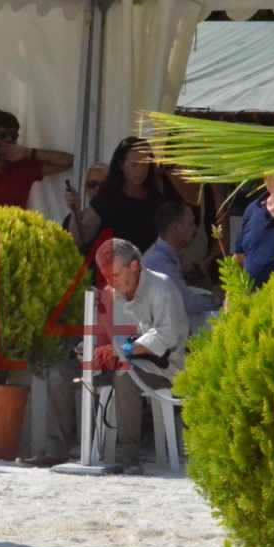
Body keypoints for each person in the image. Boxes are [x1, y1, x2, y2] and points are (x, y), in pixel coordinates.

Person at [94, 238, 189, 475]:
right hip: (123, 361)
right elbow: (104, 336)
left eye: (114, 274)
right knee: (63, 368)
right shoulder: (110, 293)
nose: (110, 281)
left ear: (134, 266)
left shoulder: (161, 287)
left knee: (126, 374)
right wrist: (93, 350)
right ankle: (56, 449)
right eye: (106, 276)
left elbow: (165, 335)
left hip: (165, 368)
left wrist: (122, 350)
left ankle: (129, 457)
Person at [67, 137, 169, 258]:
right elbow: (79, 240)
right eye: (134, 165)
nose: (141, 170)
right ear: (121, 165)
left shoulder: (157, 199)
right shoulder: (107, 197)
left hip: (149, 271)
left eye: (145, 164)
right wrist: (75, 211)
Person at [143, 199, 220, 335]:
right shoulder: (159, 261)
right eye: (191, 224)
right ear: (176, 228)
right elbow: (186, 303)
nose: (195, 229)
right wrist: (217, 301)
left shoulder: (160, 255)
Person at [233, 172, 274, 289]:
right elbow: (240, 256)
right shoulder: (253, 209)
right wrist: (231, 295)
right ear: (265, 179)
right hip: (249, 301)